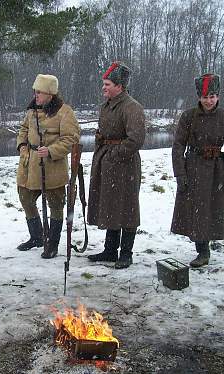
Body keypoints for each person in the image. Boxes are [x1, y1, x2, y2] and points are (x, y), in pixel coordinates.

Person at [171, 73, 224, 268]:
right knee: (196, 211)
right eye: (204, 97)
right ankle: (201, 248)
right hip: (193, 168)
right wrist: (180, 174)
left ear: (217, 96)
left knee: (210, 209)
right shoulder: (188, 116)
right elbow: (178, 147)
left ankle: (205, 249)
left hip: (216, 170)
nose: (208, 101)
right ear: (199, 97)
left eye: (212, 96)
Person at [87, 62, 145, 269]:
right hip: (107, 162)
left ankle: (126, 253)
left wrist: (114, 154)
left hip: (126, 165)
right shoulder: (105, 106)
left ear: (119, 86)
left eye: (107, 84)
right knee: (110, 205)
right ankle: (110, 250)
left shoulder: (132, 107)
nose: (103, 87)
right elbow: (102, 133)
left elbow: (136, 139)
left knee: (127, 209)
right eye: (103, 83)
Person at [16, 74, 80, 259]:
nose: (36, 95)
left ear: (50, 94)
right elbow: (24, 130)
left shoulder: (65, 112)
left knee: (56, 205)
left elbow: (71, 138)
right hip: (29, 166)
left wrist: (51, 150)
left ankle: (52, 244)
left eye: (40, 92)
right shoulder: (31, 111)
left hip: (53, 167)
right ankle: (36, 237)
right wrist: (22, 146)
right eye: (35, 91)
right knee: (26, 199)